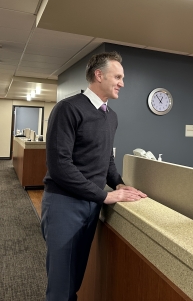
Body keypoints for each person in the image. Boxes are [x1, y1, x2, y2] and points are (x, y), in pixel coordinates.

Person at [40, 51, 147, 301]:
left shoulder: (111, 116)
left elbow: (105, 159)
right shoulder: (67, 109)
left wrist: (119, 184)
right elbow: (59, 166)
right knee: (60, 286)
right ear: (99, 75)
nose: (122, 83)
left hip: (90, 205)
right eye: (117, 77)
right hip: (64, 204)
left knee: (75, 278)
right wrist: (104, 196)